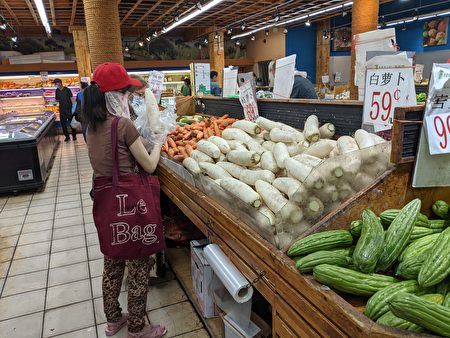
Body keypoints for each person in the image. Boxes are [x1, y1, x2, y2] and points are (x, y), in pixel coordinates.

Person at [82, 62, 167, 338]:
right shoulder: (123, 125)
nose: (128, 98)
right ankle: (137, 327)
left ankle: (113, 319)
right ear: (114, 96)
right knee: (139, 265)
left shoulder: (90, 126)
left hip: (105, 203)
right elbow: (150, 165)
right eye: (126, 93)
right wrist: (158, 143)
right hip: (129, 206)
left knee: (112, 262)